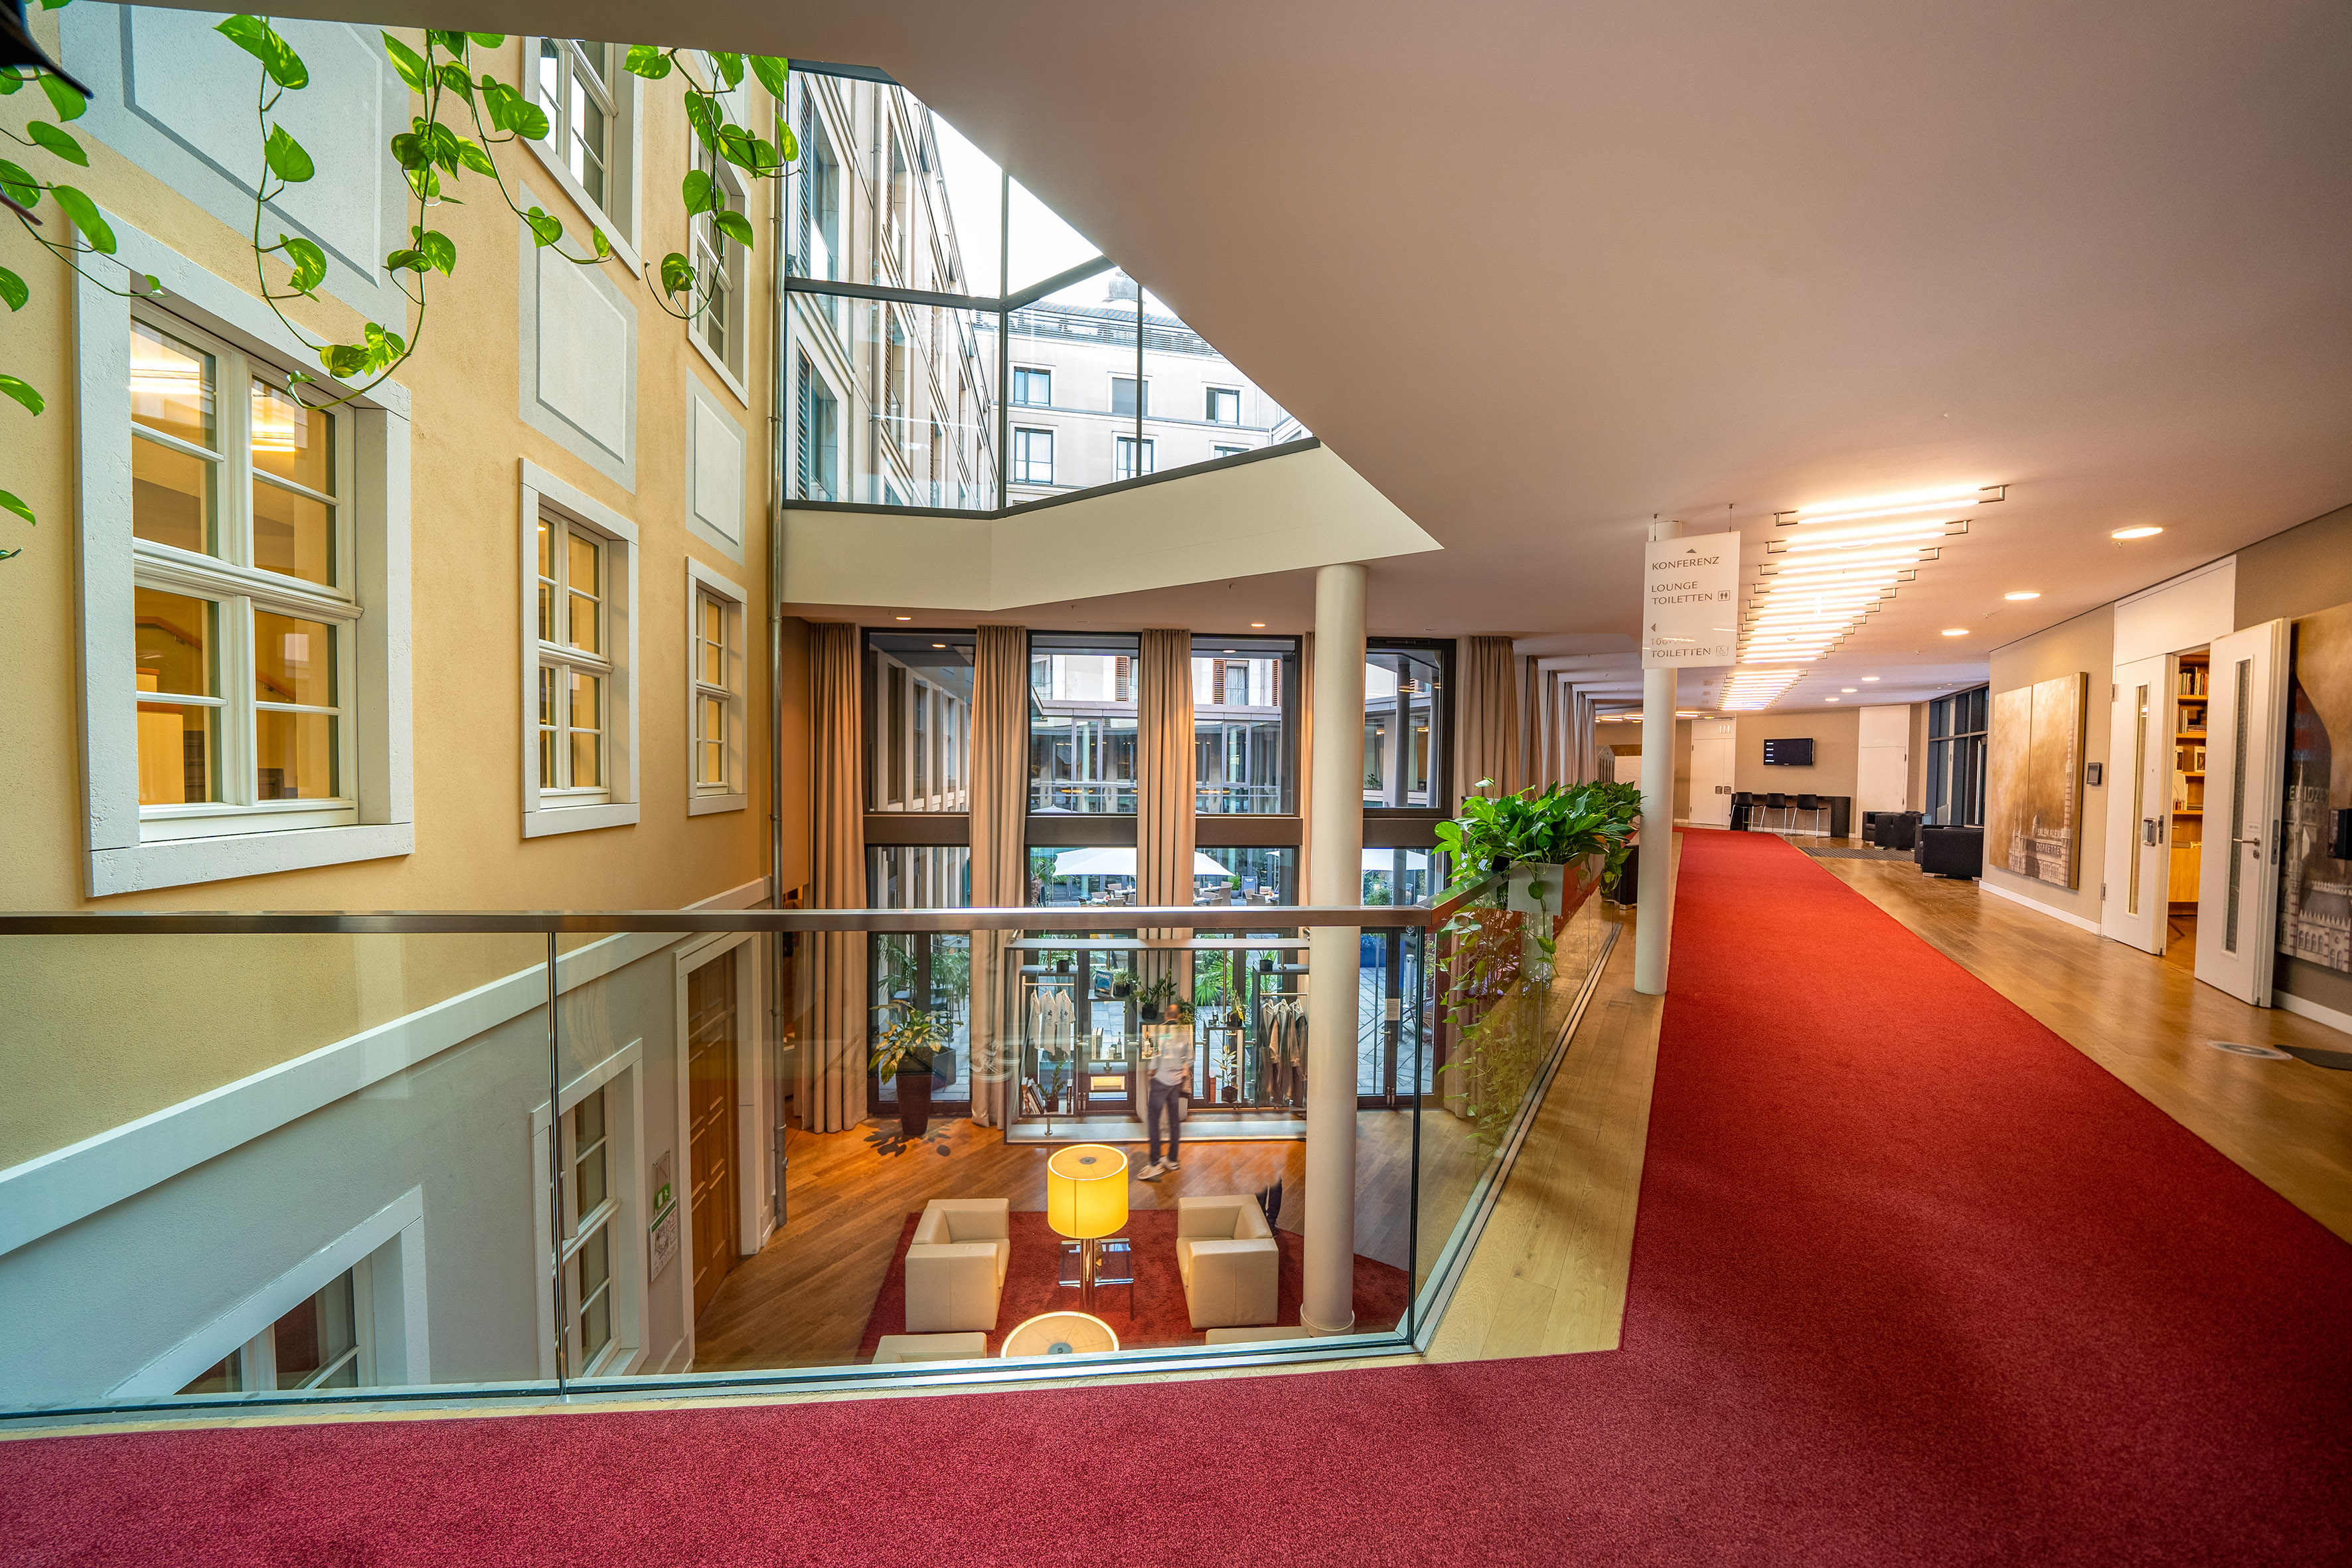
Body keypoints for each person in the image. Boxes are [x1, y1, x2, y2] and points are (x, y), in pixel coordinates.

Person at [1137, 1027, 1190, 1180]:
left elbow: (1155, 1055)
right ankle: (1172, 1159)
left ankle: (1155, 1164)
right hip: (1176, 1081)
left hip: (1161, 1081)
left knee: (1153, 1120)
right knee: (1174, 1120)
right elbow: (1189, 1058)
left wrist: (1152, 1071)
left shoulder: (1162, 1031)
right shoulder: (1185, 1032)